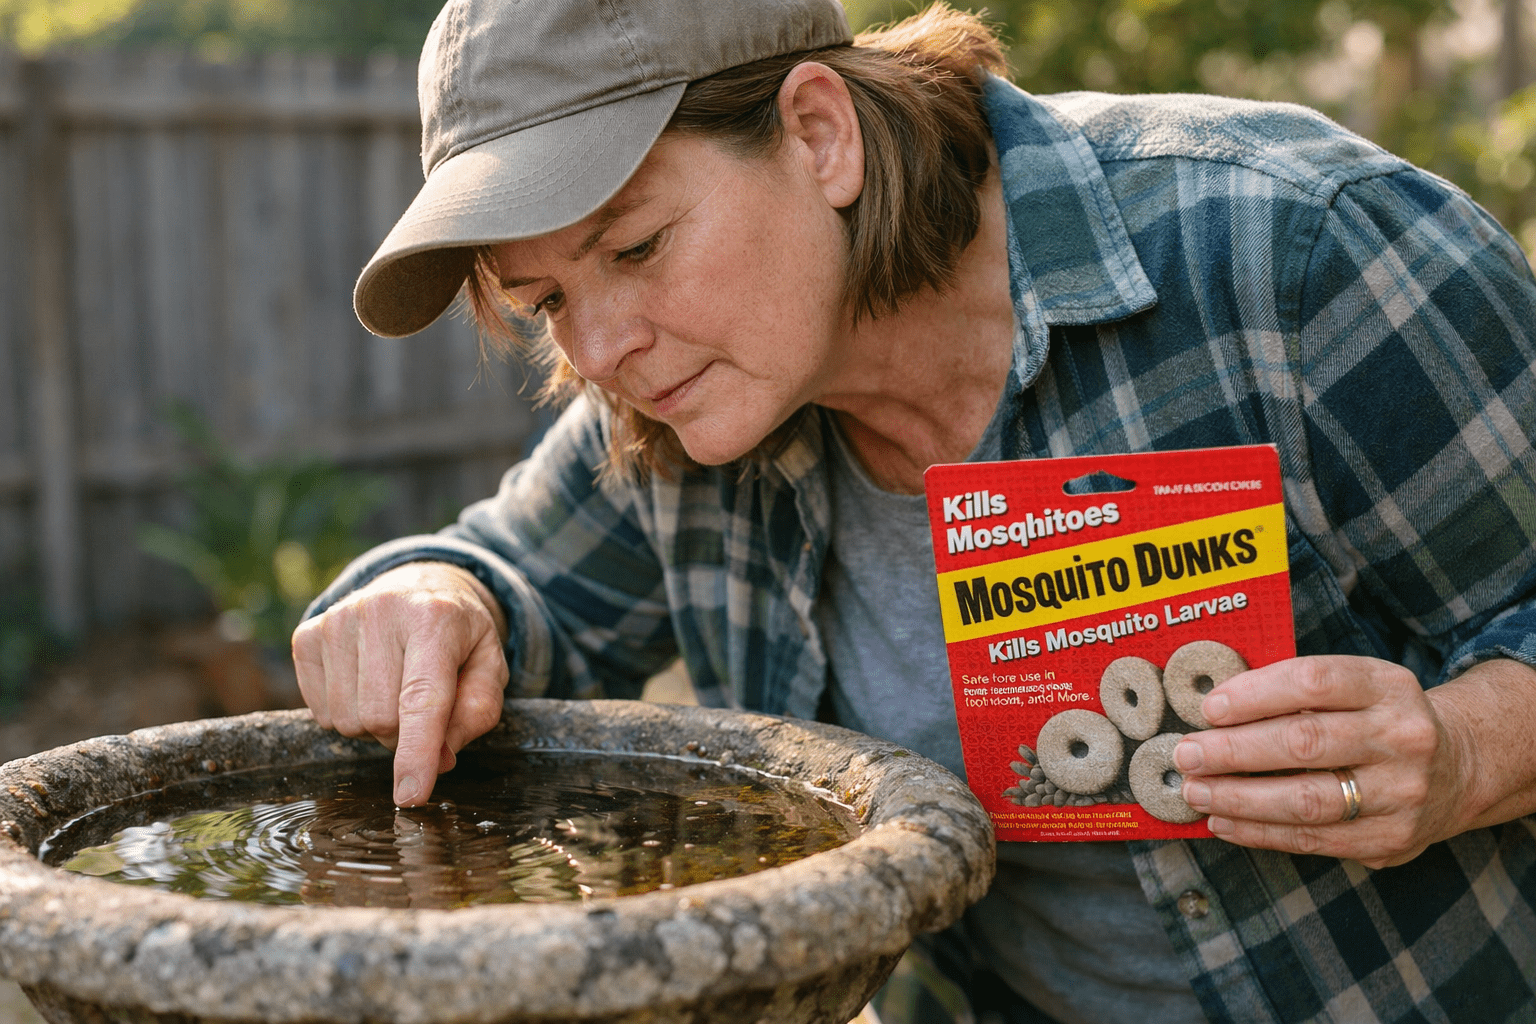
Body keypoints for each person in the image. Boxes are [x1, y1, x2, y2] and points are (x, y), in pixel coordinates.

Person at [294, 0, 1536, 1021]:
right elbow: (500, 581)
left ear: (819, 134)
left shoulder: (1296, 256)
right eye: (546, 300)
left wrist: (1464, 753)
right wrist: (430, 599)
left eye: (636, 247)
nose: (601, 347)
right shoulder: (680, 404)